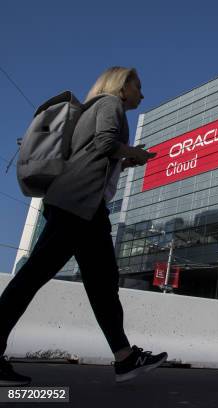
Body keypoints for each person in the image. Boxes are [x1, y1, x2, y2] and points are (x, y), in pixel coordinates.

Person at [0, 67, 167, 386]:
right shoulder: (110, 105)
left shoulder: (96, 108)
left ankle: (124, 357)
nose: (142, 94)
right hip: (78, 205)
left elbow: (92, 152)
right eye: (138, 87)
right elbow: (104, 144)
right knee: (35, 276)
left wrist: (126, 160)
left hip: (81, 206)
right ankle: (124, 356)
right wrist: (134, 153)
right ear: (122, 86)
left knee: (100, 283)